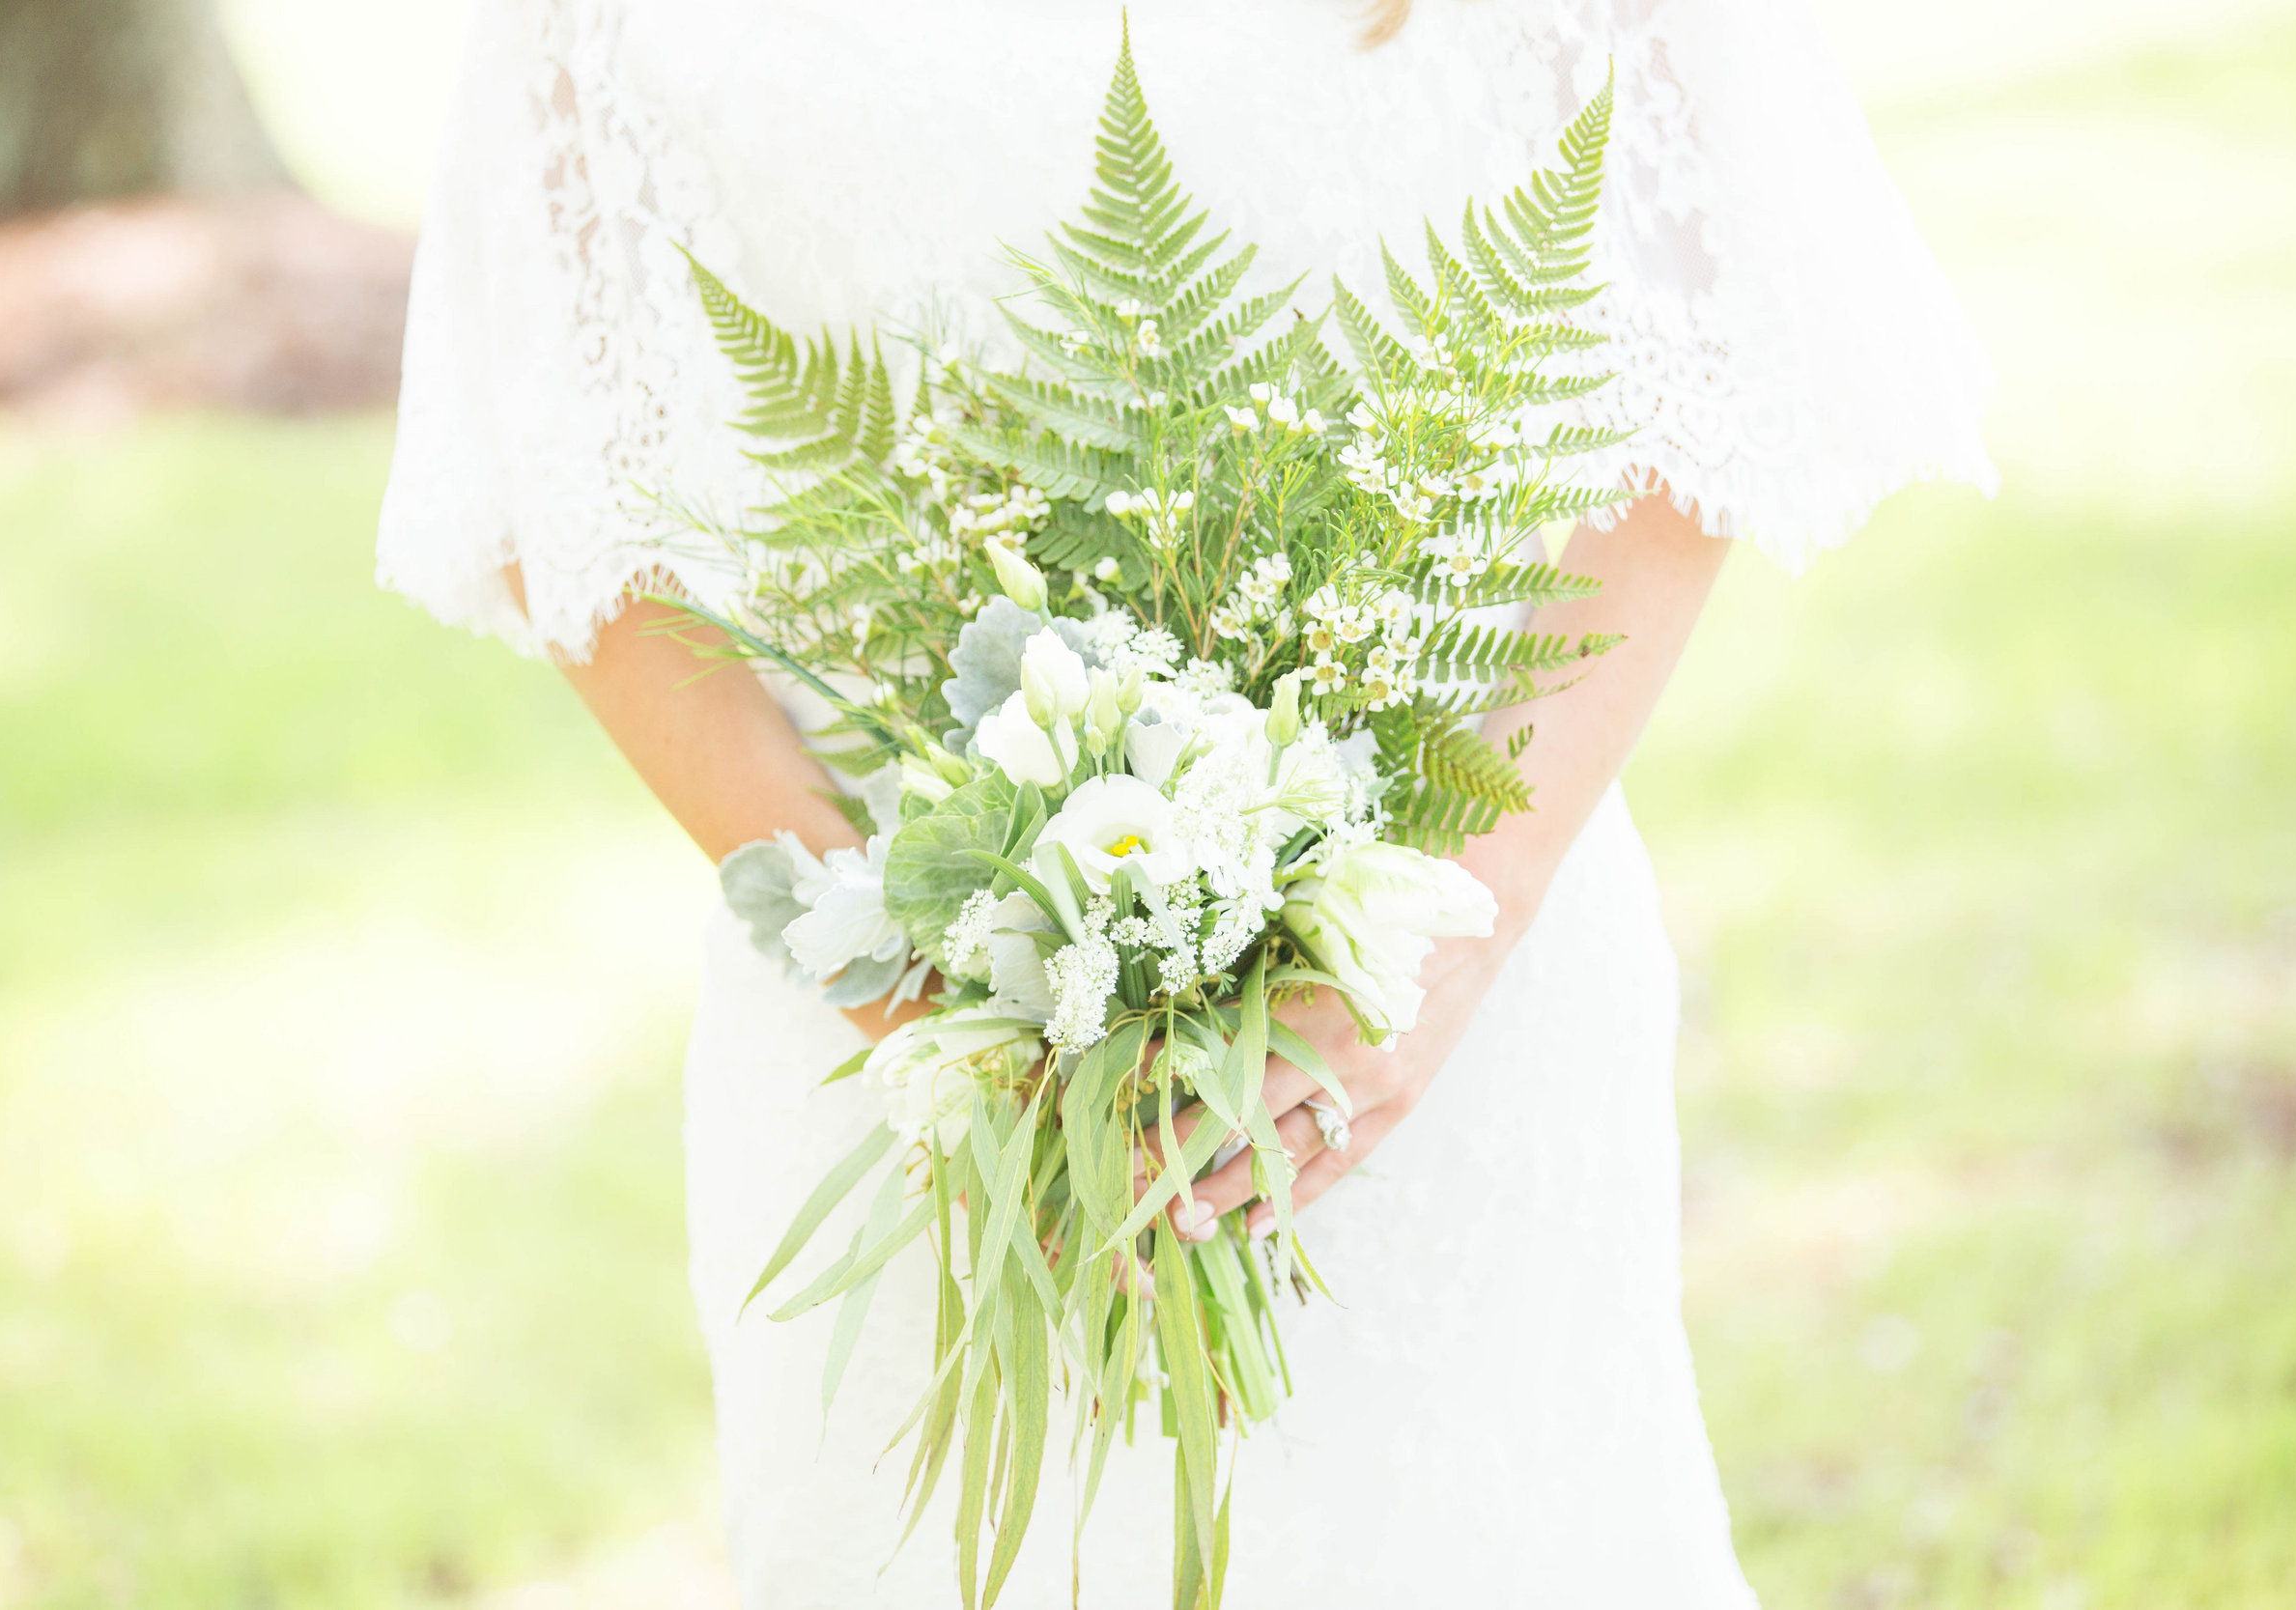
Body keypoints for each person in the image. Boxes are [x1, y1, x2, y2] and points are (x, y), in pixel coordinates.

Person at [377, 2, 1995, 1603]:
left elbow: (1691, 353)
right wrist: (940, 997)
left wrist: (1446, 948)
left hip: (1441, 1010)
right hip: (901, 1066)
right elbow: (564, 474)